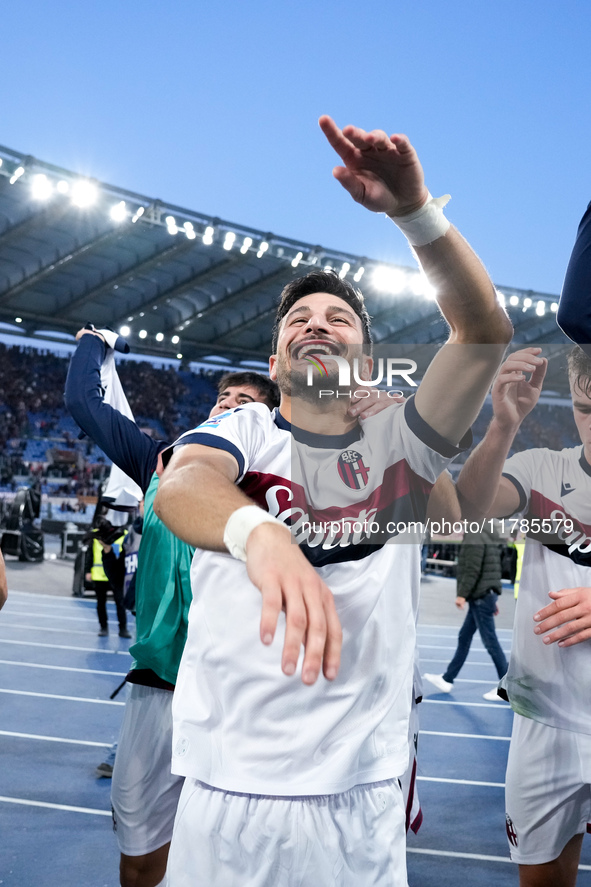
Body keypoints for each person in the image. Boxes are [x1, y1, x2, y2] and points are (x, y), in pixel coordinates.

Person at [154, 115, 512, 886]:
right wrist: (259, 532)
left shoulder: (397, 439)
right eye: (298, 322)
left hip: (358, 790)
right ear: (277, 361)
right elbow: (179, 487)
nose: (317, 325)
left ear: (365, 357)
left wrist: (414, 213)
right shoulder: (244, 428)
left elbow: (482, 333)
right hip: (226, 783)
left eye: (338, 319)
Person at [66, 348, 280, 887]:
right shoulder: (160, 462)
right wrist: (92, 343)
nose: (228, 408)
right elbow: (82, 403)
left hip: (240, 693)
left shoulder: (283, 478)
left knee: (237, 856)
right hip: (160, 685)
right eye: (222, 399)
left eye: (245, 403)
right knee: (139, 854)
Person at [456, 344, 591, 886]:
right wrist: (502, 427)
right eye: (587, 408)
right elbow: (468, 509)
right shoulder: (541, 470)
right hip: (544, 720)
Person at [424, 525, 508, 700]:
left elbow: (472, 568)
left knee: (491, 642)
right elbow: (491, 567)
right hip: (485, 596)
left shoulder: (474, 535)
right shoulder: (487, 533)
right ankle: (447, 679)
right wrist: (493, 595)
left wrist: (462, 595)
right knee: (464, 636)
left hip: (480, 597)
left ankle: (507, 688)